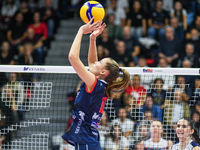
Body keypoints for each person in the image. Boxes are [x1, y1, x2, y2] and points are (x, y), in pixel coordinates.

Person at [62, 19, 130, 150]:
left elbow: (72, 57)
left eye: (100, 62)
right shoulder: (99, 84)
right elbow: (93, 63)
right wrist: (92, 39)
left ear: (103, 72)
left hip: (86, 137)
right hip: (86, 135)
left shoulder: (95, 83)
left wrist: (81, 31)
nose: (96, 62)